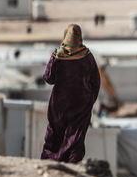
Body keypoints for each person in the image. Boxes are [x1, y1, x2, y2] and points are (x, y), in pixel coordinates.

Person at [41, 24, 101, 163]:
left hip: (59, 106)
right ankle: (72, 164)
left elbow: (49, 79)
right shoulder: (87, 56)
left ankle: (48, 162)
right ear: (79, 37)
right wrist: (90, 101)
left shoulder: (58, 55)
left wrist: (54, 59)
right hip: (81, 106)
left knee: (55, 136)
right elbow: (96, 81)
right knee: (76, 139)